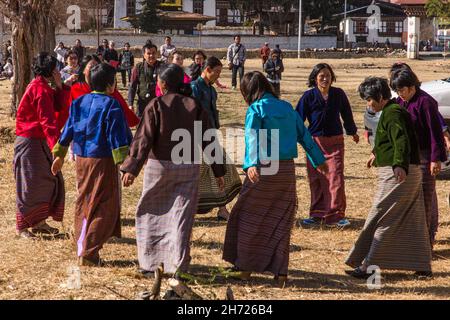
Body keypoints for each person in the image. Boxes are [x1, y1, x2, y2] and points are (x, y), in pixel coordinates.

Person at [223, 71, 327, 287]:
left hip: (263, 169)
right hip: (286, 171)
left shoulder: (256, 109)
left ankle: (244, 268)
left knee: (246, 216)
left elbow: (252, 137)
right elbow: (305, 136)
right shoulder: (287, 108)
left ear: (249, 91)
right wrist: (318, 160)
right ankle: (280, 273)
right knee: (280, 220)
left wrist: (251, 164)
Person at [120, 64, 225, 277]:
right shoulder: (194, 106)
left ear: (163, 84)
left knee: (150, 212)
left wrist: (131, 168)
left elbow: (143, 139)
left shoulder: (156, 105)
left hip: (159, 167)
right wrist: (218, 170)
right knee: (181, 217)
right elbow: (209, 139)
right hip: (188, 167)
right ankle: (177, 265)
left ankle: (150, 264)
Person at [346, 77, 432, 279]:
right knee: (413, 219)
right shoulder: (390, 111)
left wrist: (399, 165)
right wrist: (376, 153)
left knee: (381, 215)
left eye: (369, 99)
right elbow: (390, 140)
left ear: (379, 96)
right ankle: (421, 265)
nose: (368, 104)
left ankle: (368, 264)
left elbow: (401, 140)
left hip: (399, 173)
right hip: (403, 170)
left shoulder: (393, 113)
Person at [52, 63, 133, 267]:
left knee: (84, 200)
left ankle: (82, 243)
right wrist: (124, 165)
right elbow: (116, 137)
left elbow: (68, 129)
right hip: (102, 160)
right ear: (110, 84)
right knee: (104, 203)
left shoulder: (79, 102)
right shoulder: (111, 104)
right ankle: (89, 251)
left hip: (81, 159)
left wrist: (60, 154)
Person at [14, 52, 70, 239]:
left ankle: (38, 222)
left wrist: (60, 84)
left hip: (38, 141)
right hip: (30, 141)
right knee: (29, 184)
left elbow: (59, 106)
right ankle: (22, 227)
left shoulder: (43, 87)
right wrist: (58, 150)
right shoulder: (40, 90)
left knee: (46, 181)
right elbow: (48, 122)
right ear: (51, 69)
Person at [390, 65, 447, 247]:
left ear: (412, 86)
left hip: (425, 156)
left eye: (402, 90)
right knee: (410, 200)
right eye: (397, 91)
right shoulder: (400, 102)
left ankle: (425, 243)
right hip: (408, 158)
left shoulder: (426, 102)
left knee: (425, 200)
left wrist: (435, 159)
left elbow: (435, 133)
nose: (400, 94)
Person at [296, 63, 359, 227]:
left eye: (328, 76)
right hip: (314, 143)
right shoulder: (308, 96)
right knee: (316, 178)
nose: (325, 79)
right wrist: (295, 135)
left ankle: (336, 216)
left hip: (335, 142)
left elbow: (346, 114)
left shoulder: (338, 94)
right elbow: (298, 118)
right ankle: (317, 214)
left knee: (335, 177)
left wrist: (352, 131)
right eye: (321, 76)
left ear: (332, 78)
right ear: (315, 78)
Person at [191, 57, 242, 220]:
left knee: (223, 170)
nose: (218, 75)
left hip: (211, 136)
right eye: (217, 71)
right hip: (196, 139)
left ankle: (222, 208)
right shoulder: (194, 88)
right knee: (197, 175)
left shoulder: (211, 90)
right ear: (207, 69)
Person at [128, 43, 163, 117]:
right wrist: (130, 103)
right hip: (142, 104)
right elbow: (132, 86)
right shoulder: (138, 67)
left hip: (159, 103)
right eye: (148, 53)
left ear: (157, 54)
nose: (151, 56)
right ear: (144, 55)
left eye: (153, 53)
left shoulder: (163, 66)